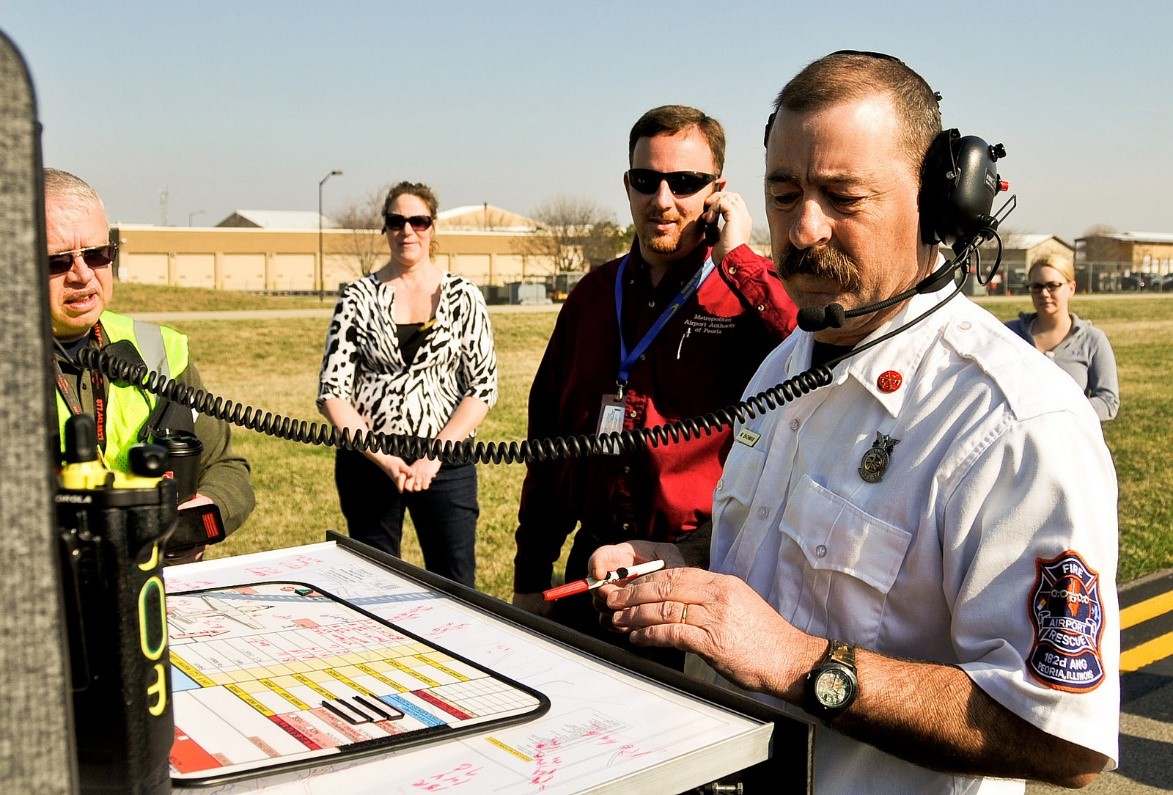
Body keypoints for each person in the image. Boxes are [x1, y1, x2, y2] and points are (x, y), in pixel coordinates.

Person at [590, 53, 1119, 792]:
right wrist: (681, 560)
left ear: (936, 207)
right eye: (783, 193)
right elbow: (773, 536)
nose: (803, 230)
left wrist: (796, 661)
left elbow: (1059, 737)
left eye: (842, 197)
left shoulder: (1016, 423)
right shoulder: (781, 367)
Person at [512, 105, 798, 645]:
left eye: (685, 183)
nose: (662, 201)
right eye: (647, 180)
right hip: (591, 567)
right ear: (628, 185)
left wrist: (739, 257)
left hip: (693, 573)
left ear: (717, 191)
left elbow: (813, 350)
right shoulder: (592, 298)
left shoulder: (745, 298)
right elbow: (547, 445)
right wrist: (530, 578)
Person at [46, 168, 255, 562]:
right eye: (58, 262)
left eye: (97, 254)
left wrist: (198, 518)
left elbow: (227, 468)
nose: (82, 274)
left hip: (157, 585)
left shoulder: (160, 350)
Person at [318, 181, 497, 589]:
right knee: (372, 583)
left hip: (445, 462)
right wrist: (382, 457)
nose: (407, 231)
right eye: (396, 221)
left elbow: (482, 387)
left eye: (418, 220)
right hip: (368, 462)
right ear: (385, 229)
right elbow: (332, 391)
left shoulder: (464, 297)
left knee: (455, 584)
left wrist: (434, 456)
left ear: (432, 228)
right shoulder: (357, 297)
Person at [1006, 256, 1119, 420]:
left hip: (1071, 441)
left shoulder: (1092, 339)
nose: (1044, 293)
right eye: (1037, 287)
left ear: (1071, 288)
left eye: (1053, 286)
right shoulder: (1010, 334)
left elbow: (1109, 402)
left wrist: (1060, 412)